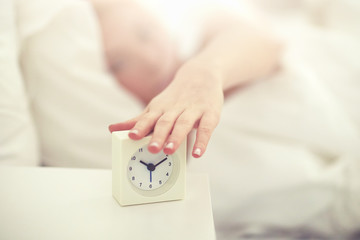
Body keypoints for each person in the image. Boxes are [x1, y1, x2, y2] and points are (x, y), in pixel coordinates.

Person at [90, 0, 281, 157]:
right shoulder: (136, 133)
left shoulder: (209, 37)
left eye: (144, 33)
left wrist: (205, 73)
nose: (151, 61)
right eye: (119, 63)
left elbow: (262, 40)